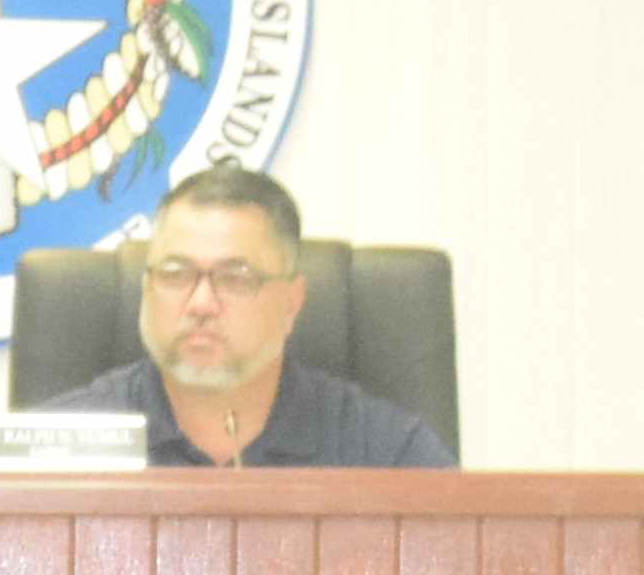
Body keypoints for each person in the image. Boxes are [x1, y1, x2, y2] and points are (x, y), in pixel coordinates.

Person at [37, 165, 450, 469]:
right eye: (175, 274)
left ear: (292, 301)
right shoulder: (55, 450)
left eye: (235, 278)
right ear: (146, 288)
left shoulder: (387, 454)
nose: (200, 303)